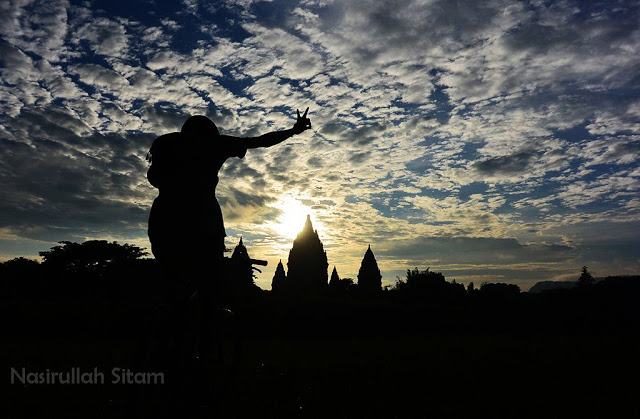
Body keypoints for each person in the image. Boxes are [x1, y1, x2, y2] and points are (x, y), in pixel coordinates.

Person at [145, 107, 311, 409]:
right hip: (202, 223)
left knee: (175, 291)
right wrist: (293, 131)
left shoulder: (166, 146)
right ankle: (202, 355)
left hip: (165, 222)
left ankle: (171, 344)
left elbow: (152, 179)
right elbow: (260, 141)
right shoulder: (214, 146)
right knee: (208, 293)